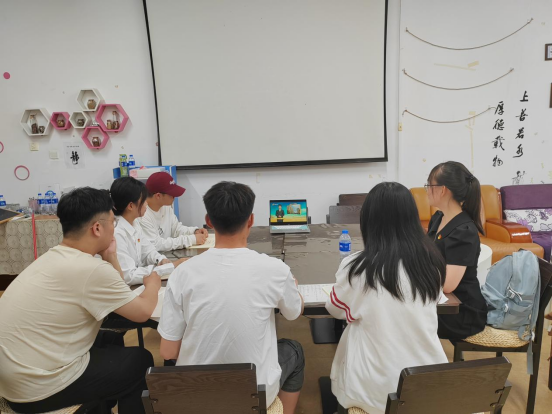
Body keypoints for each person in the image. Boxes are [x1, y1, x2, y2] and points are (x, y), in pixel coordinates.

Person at [0, 187, 161, 414]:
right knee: (140, 361)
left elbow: (117, 296)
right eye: (112, 222)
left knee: (108, 338)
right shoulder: (90, 269)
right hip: (37, 388)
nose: (114, 228)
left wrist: (110, 255)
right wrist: (153, 284)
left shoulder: (55, 256)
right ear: (97, 228)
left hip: (14, 379)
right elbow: (142, 312)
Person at [158, 182, 305, 414]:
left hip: (195, 396)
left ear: (208, 221)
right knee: (295, 350)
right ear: (251, 220)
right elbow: (294, 313)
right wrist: (292, 287)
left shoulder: (182, 273)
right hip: (254, 394)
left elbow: (168, 352)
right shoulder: (275, 270)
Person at [326, 182, 448, 414]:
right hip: (427, 384)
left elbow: (335, 309)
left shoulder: (357, 267)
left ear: (369, 221)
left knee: (354, 329)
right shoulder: (432, 262)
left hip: (375, 394)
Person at [426, 161, 487, 340]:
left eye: (429, 185)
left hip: (461, 312)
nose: (427, 190)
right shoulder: (438, 218)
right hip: (441, 300)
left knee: (402, 319)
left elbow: (448, 285)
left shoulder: (464, 231)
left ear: (442, 190)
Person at [110, 177, 187, 286]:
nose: (146, 204)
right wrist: (169, 267)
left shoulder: (134, 222)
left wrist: (160, 260)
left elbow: (147, 250)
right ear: (131, 206)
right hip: (127, 288)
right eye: (143, 201)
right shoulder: (117, 232)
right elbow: (129, 276)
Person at [141, 172, 209, 251]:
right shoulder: (141, 214)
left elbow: (176, 229)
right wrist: (191, 239)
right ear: (158, 196)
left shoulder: (165, 206)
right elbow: (156, 245)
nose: (175, 196)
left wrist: (194, 231)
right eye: (172, 194)